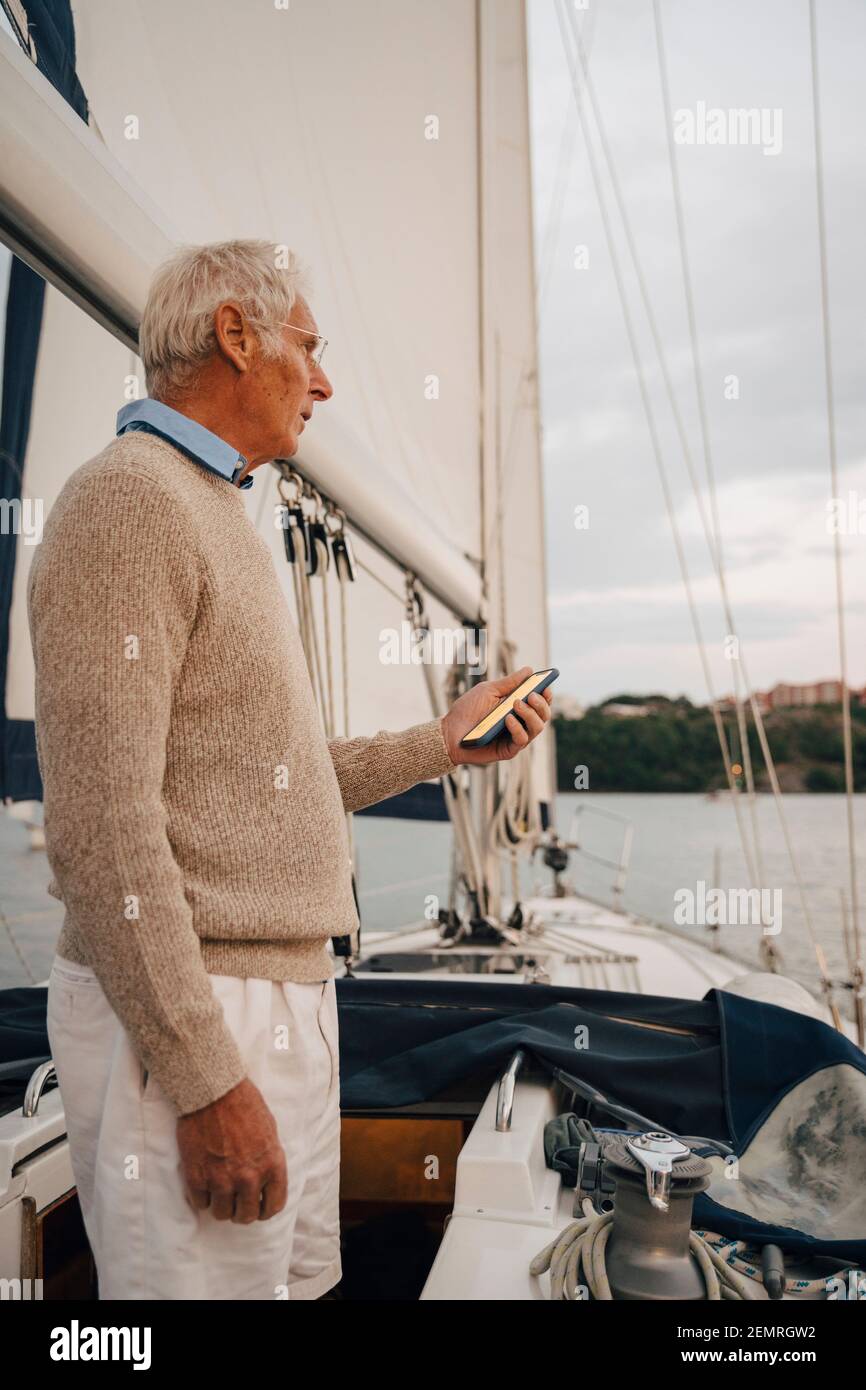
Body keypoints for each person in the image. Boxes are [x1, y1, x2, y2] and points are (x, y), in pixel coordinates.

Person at [27, 239, 553, 1300]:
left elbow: (267, 783)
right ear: (234, 333)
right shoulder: (129, 504)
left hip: (281, 995)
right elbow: (102, 829)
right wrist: (206, 1077)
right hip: (199, 1011)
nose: (323, 381)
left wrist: (440, 743)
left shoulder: (210, 509)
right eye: (309, 349)